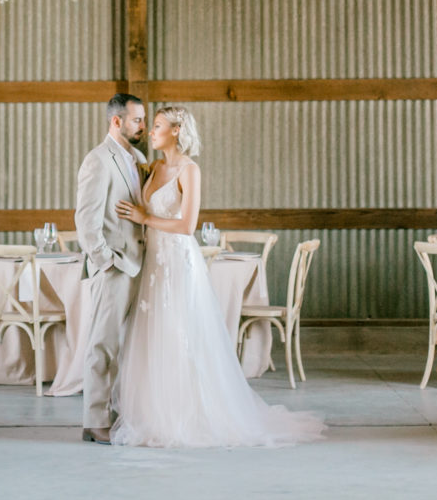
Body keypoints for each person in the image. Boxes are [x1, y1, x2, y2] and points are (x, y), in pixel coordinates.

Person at [110, 105, 324, 448]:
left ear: (177, 130)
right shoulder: (154, 168)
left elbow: (186, 225)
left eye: (159, 125)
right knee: (154, 336)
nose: (151, 131)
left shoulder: (189, 170)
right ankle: (155, 415)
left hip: (178, 262)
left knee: (181, 335)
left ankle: (188, 417)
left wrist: (142, 217)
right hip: (153, 264)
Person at [73, 93, 147, 445]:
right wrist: (105, 263)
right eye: (137, 120)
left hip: (140, 266)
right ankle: (94, 420)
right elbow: (86, 221)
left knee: (126, 346)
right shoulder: (97, 160)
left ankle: (117, 410)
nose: (143, 126)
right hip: (115, 266)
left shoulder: (139, 158)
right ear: (116, 121)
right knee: (102, 344)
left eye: (144, 120)